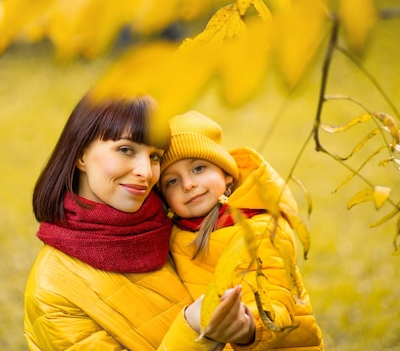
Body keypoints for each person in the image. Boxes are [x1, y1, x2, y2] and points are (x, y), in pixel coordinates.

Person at [23, 91, 255, 351]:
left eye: (154, 156)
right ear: (81, 155)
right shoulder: (52, 290)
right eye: (125, 149)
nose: (145, 172)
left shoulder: (178, 223)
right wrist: (194, 331)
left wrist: (247, 334)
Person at [158, 110, 324, 351]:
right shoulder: (175, 233)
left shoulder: (259, 229)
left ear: (226, 174)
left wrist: (248, 327)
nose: (188, 184)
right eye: (172, 181)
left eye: (198, 168)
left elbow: (277, 297)